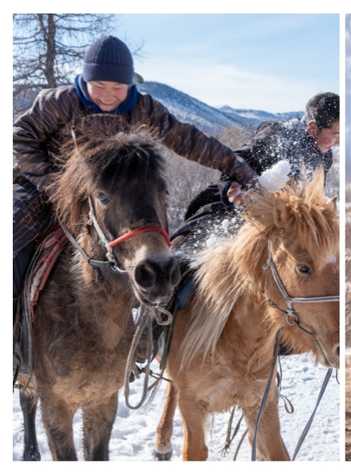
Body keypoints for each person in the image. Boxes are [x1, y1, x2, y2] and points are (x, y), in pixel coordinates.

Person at [13, 35, 258, 373]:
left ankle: (140, 333)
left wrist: (239, 169)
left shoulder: (142, 109)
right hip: (48, 186)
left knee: (146, 249)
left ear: (130, 85)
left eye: (118, 87)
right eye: (100, 86)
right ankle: (15, 329)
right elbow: (19, 138)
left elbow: (188, 139)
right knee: (13, 235)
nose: (108, 95)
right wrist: (54, 183)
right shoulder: (60, 103)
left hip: (114, 198)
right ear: (85, 80)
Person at [171, 92, 340, 252]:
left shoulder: (325, 157)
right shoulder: (278, 135)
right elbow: (237, 159)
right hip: (235, 210)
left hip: (284, 227)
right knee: (189, 254)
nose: (339, 140)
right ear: (312, 128)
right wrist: (233, 185)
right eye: (336, 133)